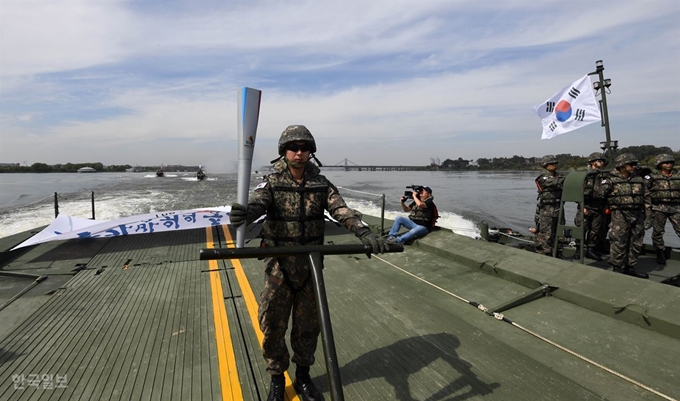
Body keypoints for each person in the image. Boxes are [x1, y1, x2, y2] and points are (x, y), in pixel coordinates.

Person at [229, 125, 390, 401]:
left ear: (311, 152)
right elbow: (258, 203)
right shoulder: (271, 182)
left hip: (311, 269)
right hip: (279, 268)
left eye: (305, 148)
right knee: (272, 324)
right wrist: (244, 213)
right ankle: (277, 378)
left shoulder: (321, 184)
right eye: (294, 148)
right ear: (284, 151)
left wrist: (363, 231)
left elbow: (340, 209)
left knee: (308, 327)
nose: (299, 153)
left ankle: (303, 377)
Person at [594, 153, 649, 278]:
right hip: (620, 214)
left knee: (636, 241)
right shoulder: (610, 180)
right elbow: (598, 194)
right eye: (631, 164)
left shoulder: (638, 180)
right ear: (622, 166)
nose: (634, 167)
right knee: (618, 241)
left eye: (635, 164)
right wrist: (599, 180)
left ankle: (630, 266)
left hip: (637, 214)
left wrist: (649, 215)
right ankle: (617, 267)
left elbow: (646, 198)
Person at [643, 154, 680, 265]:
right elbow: (644, 191)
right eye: (666, 163)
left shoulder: (677, 176)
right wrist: (648, 207)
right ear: (659, 164)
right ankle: (659, 252)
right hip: (659, 207)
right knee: (658, 232)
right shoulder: (652, 177)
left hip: (676, 207)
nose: (669, 164)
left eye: (671, 162)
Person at [574, 152, 607, 260]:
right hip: (586, 205)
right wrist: (581, 206)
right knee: (582, 229)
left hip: (598, 206)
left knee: (595, 230)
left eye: (603, 161)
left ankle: (591, 250)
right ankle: (579, 250)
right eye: (599, 161)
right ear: (592, 162)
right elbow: (576, 191)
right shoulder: (584, 174)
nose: (602, 163)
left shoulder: (603, 175)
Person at [533, 155, 564, 257]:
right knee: (547, 231)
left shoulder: (558, 175)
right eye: (552, 164)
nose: (555, 165)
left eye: (555, 163)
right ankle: (545, 252)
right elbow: (555, 183)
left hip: (558, 206)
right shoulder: (543, 177)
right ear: (546, 165)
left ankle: (557, 250)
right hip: (547, 208)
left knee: (559, 230)